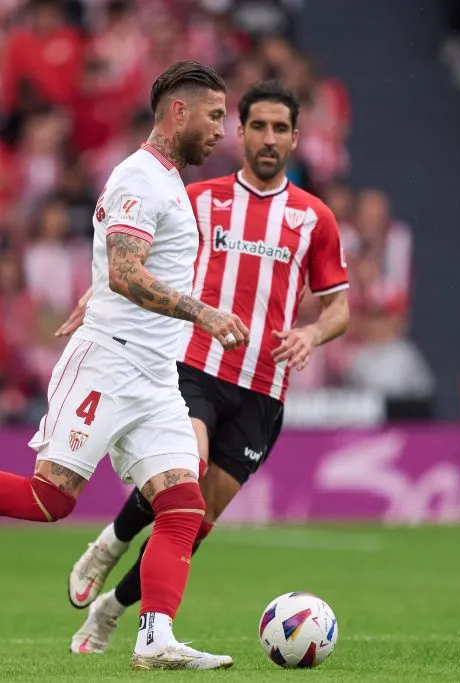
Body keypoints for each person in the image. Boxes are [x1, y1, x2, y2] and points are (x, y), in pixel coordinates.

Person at [0, 61, 248, 671]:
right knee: (49, 499)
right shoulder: (139, 179)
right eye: (216, 115)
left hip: (158, 378)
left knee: (183, 506)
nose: (225, 129)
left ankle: (154, 636)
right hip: (108, 364)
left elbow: (129, 269)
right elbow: (126, 271)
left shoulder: (166, 183)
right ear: (179, 112)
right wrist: (203, 314)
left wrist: (105, 293)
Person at [63, 81, 350, 654]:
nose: (269, 138)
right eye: (258, 126)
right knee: (183, 472)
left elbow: (338, 304)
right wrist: (95, 299)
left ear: (296, 138)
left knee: (195, 521)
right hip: (194, 364)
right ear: (240, 132)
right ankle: (113, 540)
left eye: (280, 129)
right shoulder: (199, 198)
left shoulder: (314, 218)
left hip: (262, 390)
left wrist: (313, 333)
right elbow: (135, 258)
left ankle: (112, 608)